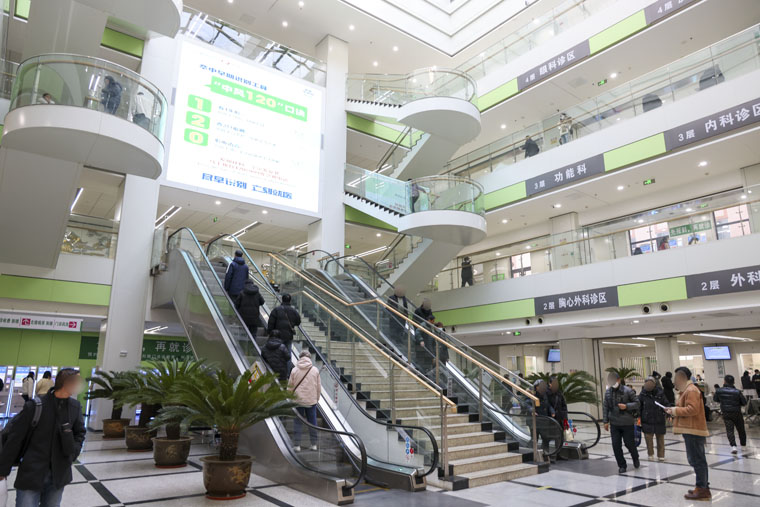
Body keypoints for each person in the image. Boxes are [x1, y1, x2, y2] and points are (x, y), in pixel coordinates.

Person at [0, 368, 86, 507]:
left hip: (59, 474)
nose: (80, 384)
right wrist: (3, 469)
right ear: (66, 383)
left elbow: (80, 433)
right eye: (78, 381)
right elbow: (15, 439)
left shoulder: (74, 407)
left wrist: (73, 453)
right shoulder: (35, 406)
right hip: (32, 472)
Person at [664, 366, 710, 500]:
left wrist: (675, 411)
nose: (675, 380)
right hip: (690, 429)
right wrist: (673, 410)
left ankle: (702, 489)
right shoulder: (687, 390)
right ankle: (701, 487)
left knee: (697, 460)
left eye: (677, 377)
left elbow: (692, 409)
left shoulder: (691, 390)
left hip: (693, 429)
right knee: (696, 459)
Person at [603, 371, 640, 473]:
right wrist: (605, 421)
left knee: (629, 444)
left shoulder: (628, 391)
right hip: (614, 423)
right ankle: (622, 465)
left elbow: (637, 403)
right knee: (616, 445)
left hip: (627, 423)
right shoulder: (608, 392)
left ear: (619, 380)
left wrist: (626, 406)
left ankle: (635, 457)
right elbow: (605, 407)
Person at [288, 350, 320, 452]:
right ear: (309, 358)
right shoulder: (315, 370)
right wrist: (316, 398)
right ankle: (314, 444)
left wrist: (290, 397)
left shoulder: (294, 370)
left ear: (300, 358)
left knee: (298, 422)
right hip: (311, 401)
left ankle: (297, 445)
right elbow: (318, 387)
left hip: (298, 400)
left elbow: (290, 386)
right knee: (312, 422)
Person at [713, 375, 747, 453]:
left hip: (726, 413)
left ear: (724, 381)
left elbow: (715, 399)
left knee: (729, 430)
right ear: (733, 382)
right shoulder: (737, 391)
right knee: (741, 429)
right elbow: (744, 402)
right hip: (737, 412)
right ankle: (743, 445)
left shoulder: (719, 391)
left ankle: (733, 447)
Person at [639, 377, 668, 462]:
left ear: (654, 384)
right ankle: (650, 454)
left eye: (650, 383)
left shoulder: (660, 393)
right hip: (647, 420)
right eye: (647, 383)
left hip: (659, 419)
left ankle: (661, 455)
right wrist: (638, 416)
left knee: (660, 439)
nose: (648, 385)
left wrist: (668, 412)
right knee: (648, 439)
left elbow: (666, 404)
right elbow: (639, 406)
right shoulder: (642, 394)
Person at [532, 379, 556, 461]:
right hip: (535, 421)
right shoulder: (533, 395)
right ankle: (534, 455)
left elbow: (548, 405)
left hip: (544, 420)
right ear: (536, 387)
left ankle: (545, 455)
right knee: (534, 439)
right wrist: (532, 411)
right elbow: (527, 404)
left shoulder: (545, 395)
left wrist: (552, 411)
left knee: (546, 438)